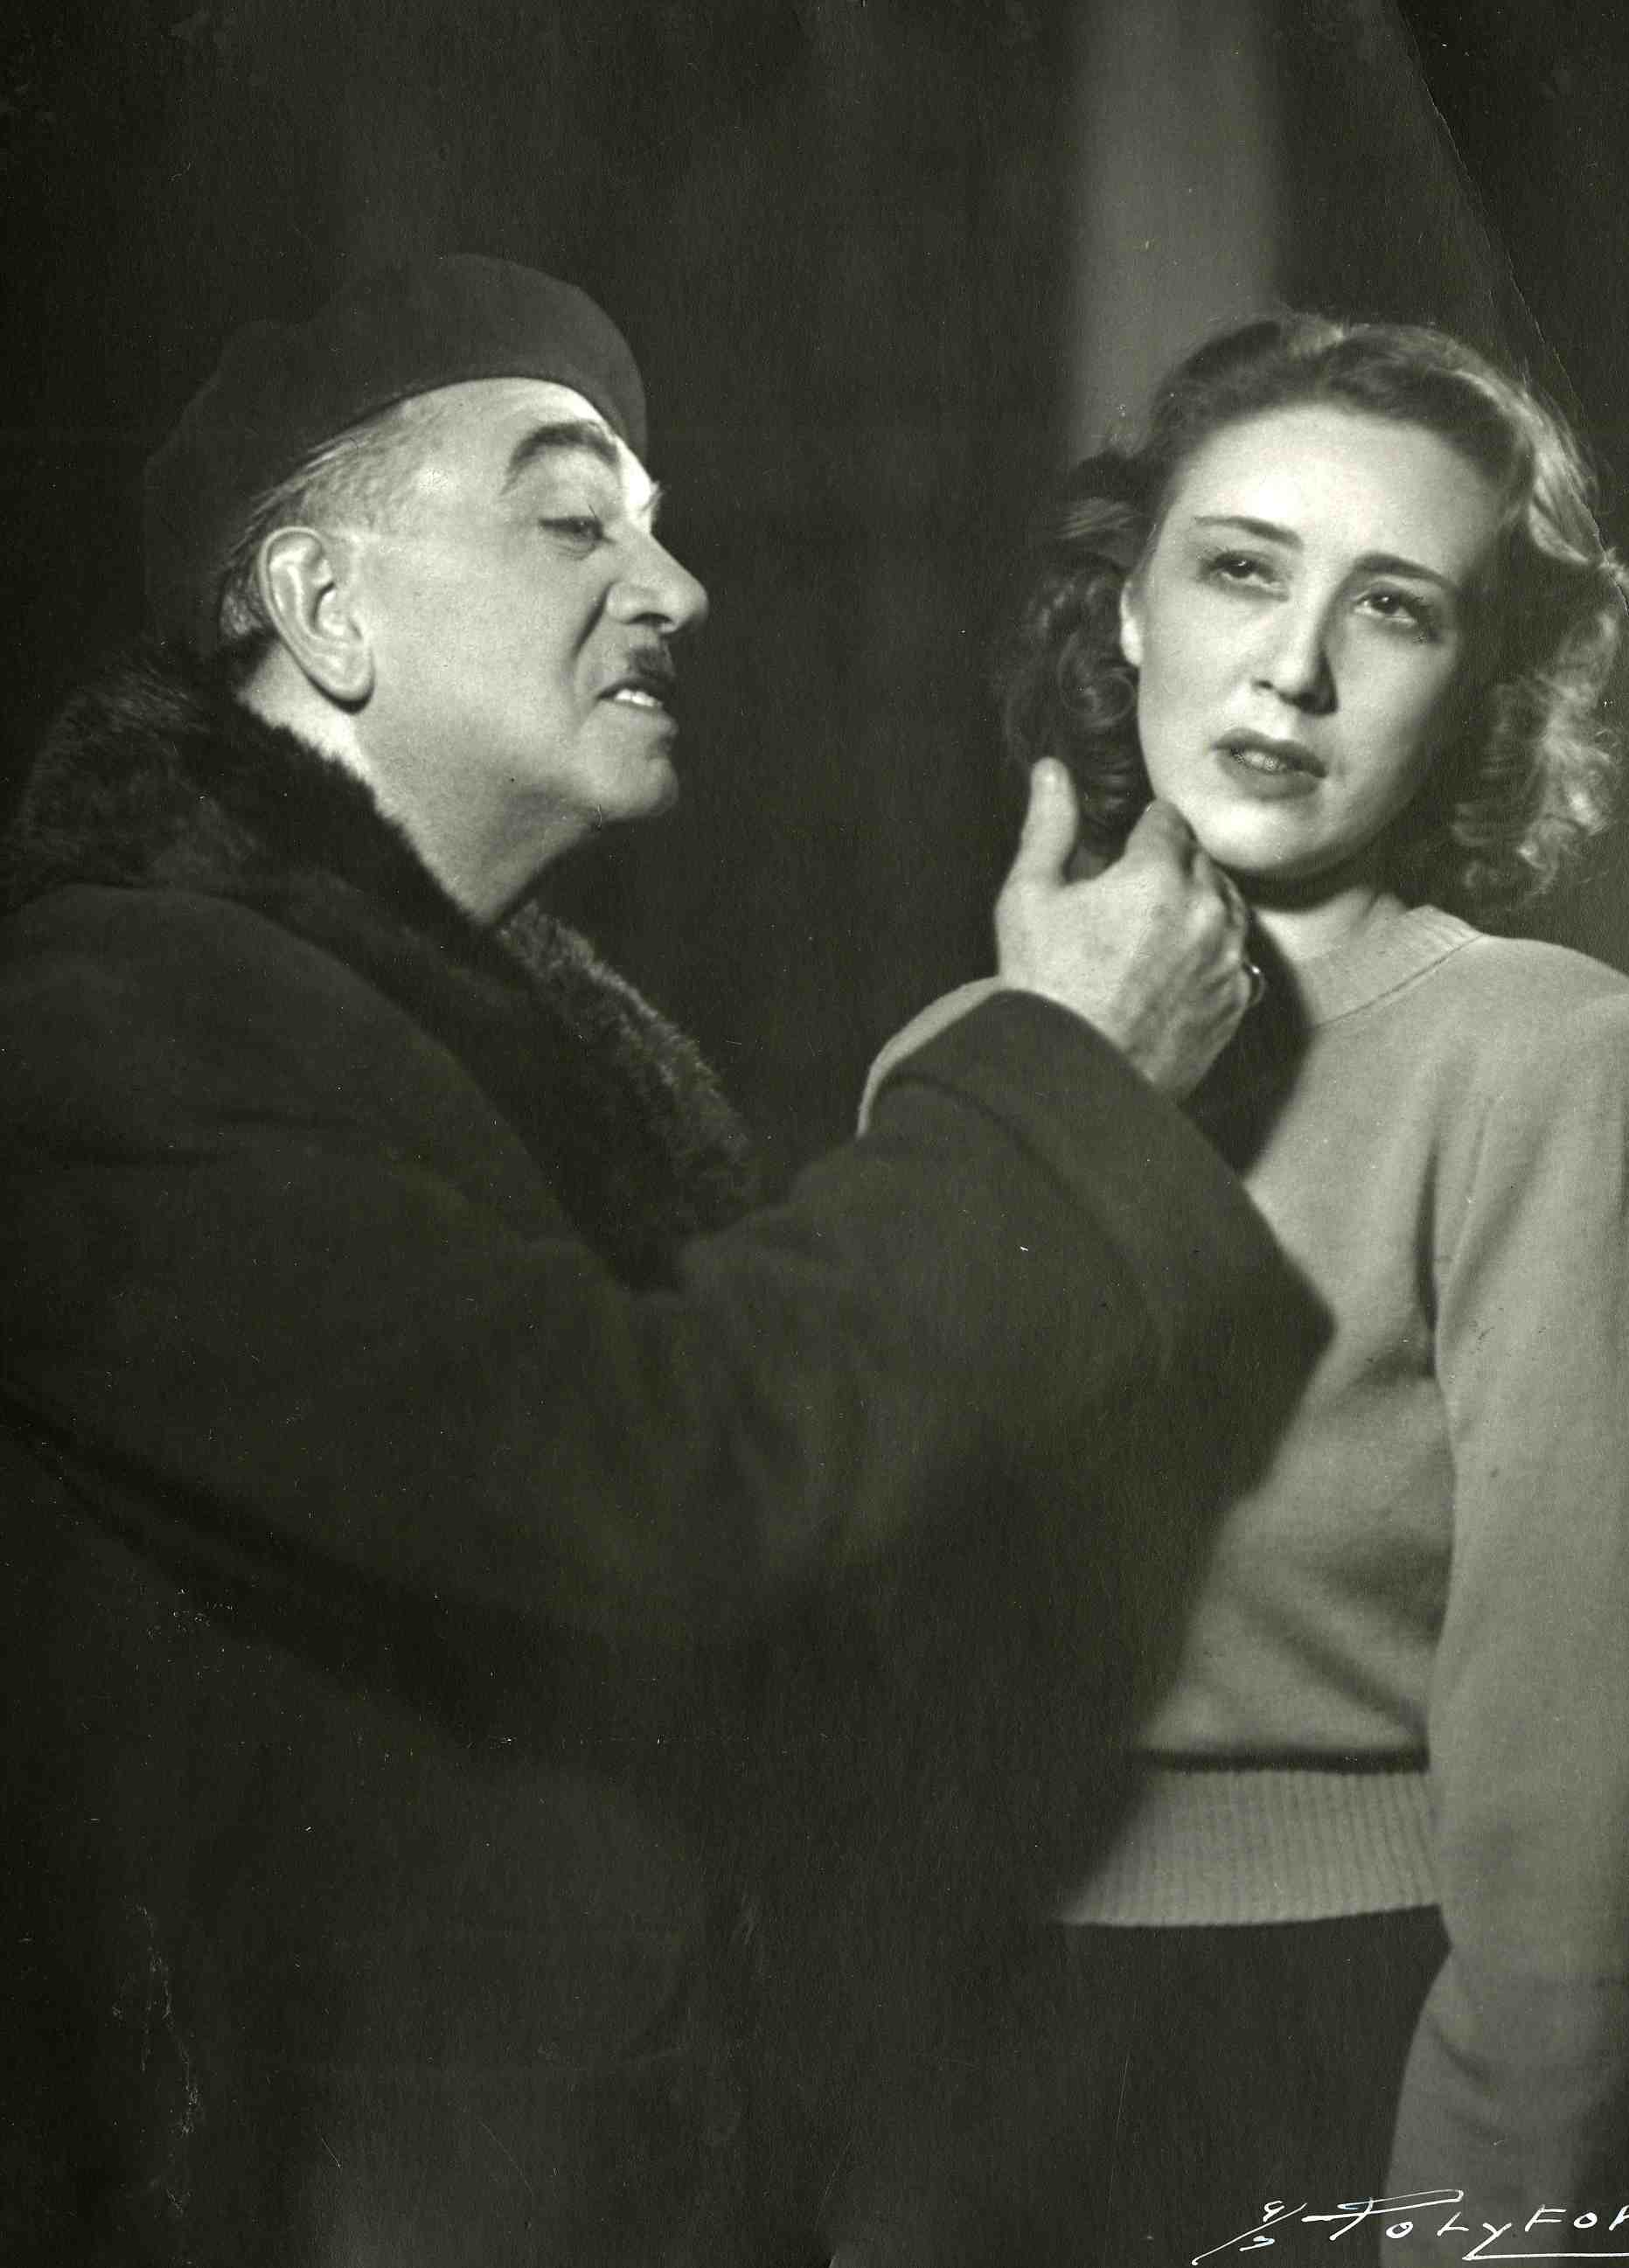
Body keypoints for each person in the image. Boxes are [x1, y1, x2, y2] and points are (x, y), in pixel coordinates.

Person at [0, 256, 1299, 2267]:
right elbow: (644, 1471)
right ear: (323, 606)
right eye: (570, 518)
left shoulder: (491, 1047)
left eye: (659, 524)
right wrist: (1061, 1077)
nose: (677, 588)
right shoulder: (111, 1025)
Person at [855, 314, 1629, 2265]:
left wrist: (1489, 2220)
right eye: (1239, 571)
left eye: (1393, 608)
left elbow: (1569, 1757)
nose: (1293, 668)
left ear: (1476, 682)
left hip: (1364, 2016)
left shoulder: (1548, 1054)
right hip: (972, 2039)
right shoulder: (959, 1055)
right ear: (1128, 612)